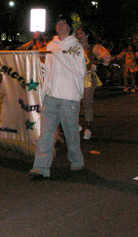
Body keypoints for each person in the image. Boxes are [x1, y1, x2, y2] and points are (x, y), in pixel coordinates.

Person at [29, 14, 86, 180]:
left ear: (69, 27)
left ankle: (76, 160)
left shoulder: (76, 47)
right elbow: (47, 71)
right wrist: (44, 91)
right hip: (51, 98)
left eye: (64, 23)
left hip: (69, 99)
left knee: (71, 134)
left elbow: (80, 72)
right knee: (45, 134)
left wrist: (60, 56)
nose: (60, 26)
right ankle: (40, 167)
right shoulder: (51, 45)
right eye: (58, 23)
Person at [76, 26, 111, 140]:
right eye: (78, 34)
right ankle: (75, 125)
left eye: (81, 33)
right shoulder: (75, 48)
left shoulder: (94, 48)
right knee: (73, 103)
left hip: (88, 77)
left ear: (87, 35)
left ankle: (88, 128)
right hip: (75, 78)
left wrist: (97, 63)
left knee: (87, 103)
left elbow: (106, 56)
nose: (79, 35)